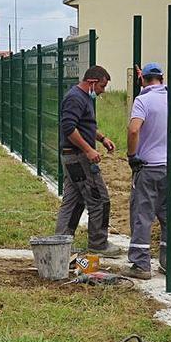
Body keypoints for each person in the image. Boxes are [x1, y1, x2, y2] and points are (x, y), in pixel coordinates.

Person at [123, 63, 171, 279]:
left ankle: (141, 264)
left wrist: (131, 155)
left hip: (148, 167)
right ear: (162, 79)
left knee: (142, 214)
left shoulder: (142, 101)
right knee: (170, 216)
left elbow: (134, 129)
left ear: (142, 80)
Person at [55, 65, 121, 256]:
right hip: (77, 157)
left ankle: (61, 243)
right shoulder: (75, 98)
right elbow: (69, 127)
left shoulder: (83, 98)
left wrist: (101, 138)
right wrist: (88, 150)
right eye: (102, 86)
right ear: (92, 82)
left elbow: (83, 125)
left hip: (72, 157)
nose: (102, 91)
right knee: (99, 199)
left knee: (73, 201)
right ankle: (98, 244)